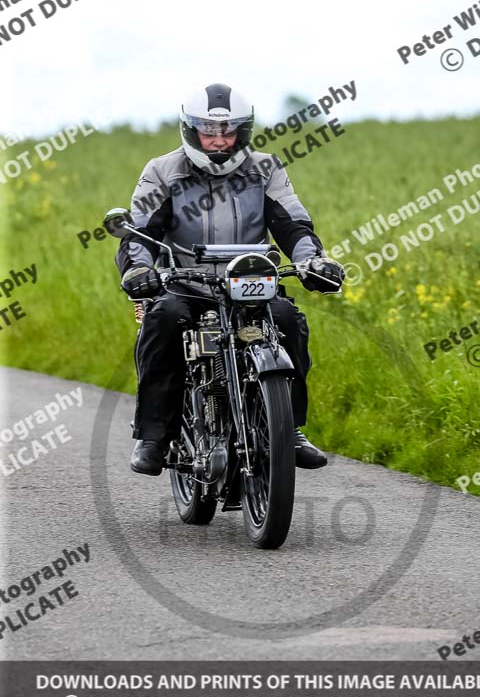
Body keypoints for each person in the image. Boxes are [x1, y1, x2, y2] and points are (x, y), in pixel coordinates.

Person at [115, 83, 344, 476]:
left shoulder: (266, 168)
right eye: (209, 130)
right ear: (190, 129)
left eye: (229, 130)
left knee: (288, 320)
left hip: (250, 282)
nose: (219, 140)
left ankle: (290, 430)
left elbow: (293, 224)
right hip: (184, 283)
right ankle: (154, 436)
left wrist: (312, 261)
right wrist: (138, 269)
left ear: (244, 131)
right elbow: (140, 232)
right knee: (163, 319)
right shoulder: (161, 171)